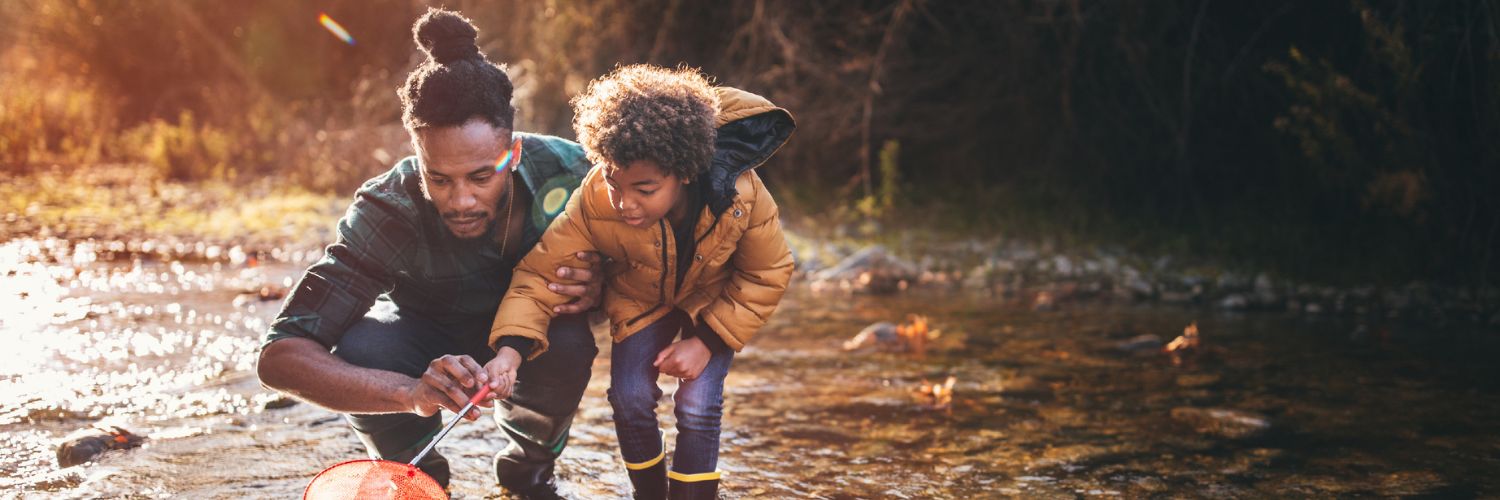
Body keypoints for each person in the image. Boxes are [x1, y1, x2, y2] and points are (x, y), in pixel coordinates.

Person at [256, 9, 601, 498]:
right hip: (420, 339)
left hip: (536, 340)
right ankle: (419, 479)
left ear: (514, 153)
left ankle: (528, 469)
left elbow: (661, 258)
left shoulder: (574, 174)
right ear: (417, 153)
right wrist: (408, 394)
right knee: (363, 347)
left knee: (570, 342)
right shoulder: (387, 207)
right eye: (438, 178)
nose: (461, 201)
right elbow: (280, 357)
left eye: (482, 177)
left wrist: (603, 285)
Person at [485, 64, 796, 499]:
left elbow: (769, 271)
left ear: (685, 172)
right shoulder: (596, 197)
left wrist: (706, 340)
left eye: (644, 190)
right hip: (639, 299)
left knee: (698, 404)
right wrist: (511, 350)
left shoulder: (741, 195)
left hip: (713, 304)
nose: (624, 203)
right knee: (629, 399)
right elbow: (540, 273)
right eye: (615, 184)